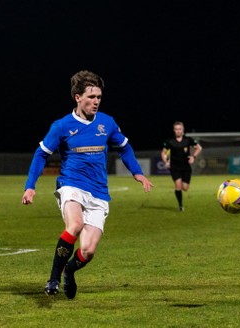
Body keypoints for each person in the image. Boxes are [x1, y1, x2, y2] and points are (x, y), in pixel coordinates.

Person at [21, 70, 153, 299]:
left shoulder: (107, 123)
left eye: (99, 97)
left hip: (99, 193)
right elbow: (41, 154)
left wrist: (137, 173)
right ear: (77, 97)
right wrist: (30, 186)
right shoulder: (62, 126)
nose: (96, 101)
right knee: (75, 224)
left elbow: (124, 148)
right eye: (91, 97)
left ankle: (69, 272)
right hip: (71, 185)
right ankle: (52, 279)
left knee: (88, 251)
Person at [161, 121, 202, 211]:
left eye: (180, 129)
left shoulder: (188, 140)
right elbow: (163, 152)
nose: (178, 131)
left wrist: (193, 156)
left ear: (182, 130)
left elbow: (199, 148)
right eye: (176, 129)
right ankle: (180, 206)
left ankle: (181, 198)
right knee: (178, 185)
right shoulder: (169, 141)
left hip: (186, 167)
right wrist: (166, 161)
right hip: (174, 167)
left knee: (185, 188)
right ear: (174, 130)